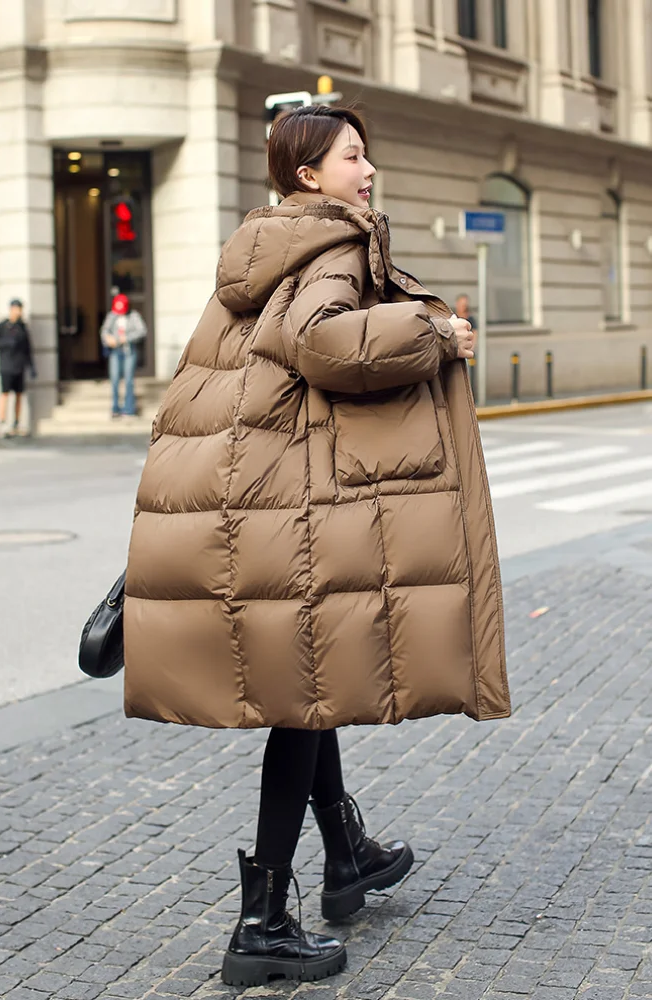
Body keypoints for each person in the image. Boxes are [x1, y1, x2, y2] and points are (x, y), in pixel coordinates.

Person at [123, 105, 510, 987]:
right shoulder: (329, 245)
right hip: (293, 510)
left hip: (261, 502)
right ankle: (261, 923)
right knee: (302, 700)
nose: (367, 171)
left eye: (366, 156)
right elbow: (326, 343)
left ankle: (346, 855)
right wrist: (434, 333)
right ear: (310, 176)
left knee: (311, 682)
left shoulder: (268, 248)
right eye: (352, 157)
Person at [0, 298, 35, 438]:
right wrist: (7, 343)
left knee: (19, 394)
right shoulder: (3, 326)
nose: (18, 312)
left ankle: (16, 423)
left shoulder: (22, 327)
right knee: (5, 393)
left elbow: (28, 348)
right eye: (16, 309)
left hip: (19, 366)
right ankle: (2, 423)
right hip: (6, 366)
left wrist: (31, 366)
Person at [100, 293, 147, 419]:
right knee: (114, 379)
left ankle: (129, 409)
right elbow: (104, 331)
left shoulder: (134, 316)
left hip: (129, 351)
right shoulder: (112, 316)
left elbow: (142, 331)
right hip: (115, 352)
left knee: (128, 380)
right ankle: (115, 408)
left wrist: (126, 338)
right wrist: (108, 339)